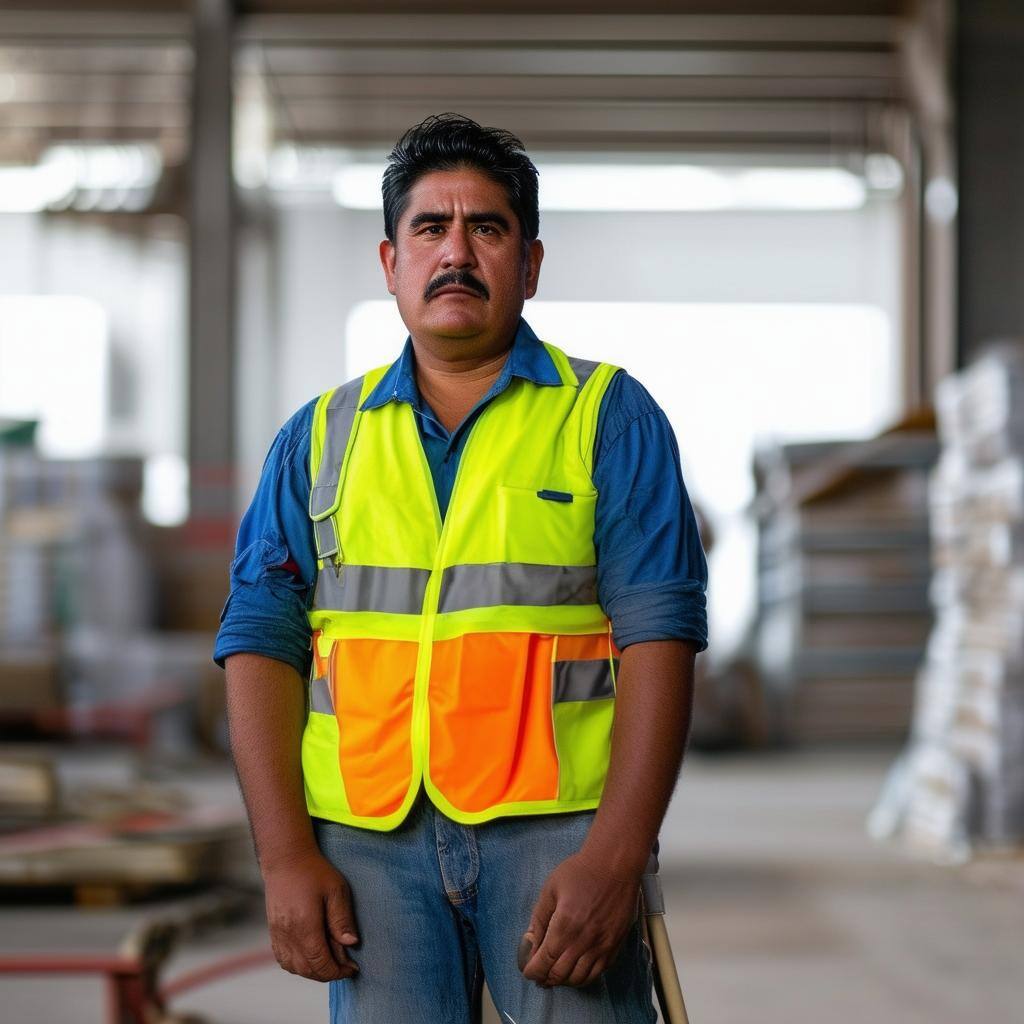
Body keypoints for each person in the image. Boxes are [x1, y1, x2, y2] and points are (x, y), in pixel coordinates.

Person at [214, 113, 709, 1024]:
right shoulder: (319, 437)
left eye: (486, 228)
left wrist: (617, 856)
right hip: (370, 844)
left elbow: (662, 637)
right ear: (390, 262)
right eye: (429, 229)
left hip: (557, 834)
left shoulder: (607, 417)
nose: (456, 252)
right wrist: (285, 857)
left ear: (530, 264)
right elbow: (260, 643)